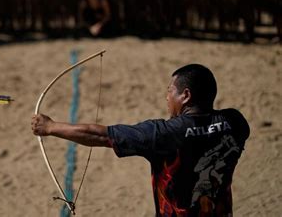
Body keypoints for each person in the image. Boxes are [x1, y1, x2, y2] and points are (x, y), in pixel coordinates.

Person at [32, 64, 250, 216]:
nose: (167, 97)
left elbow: (100, 135)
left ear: (186, 95)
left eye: (169, 91)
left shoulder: (164, 133)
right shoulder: (236, 122)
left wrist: (50, 127)